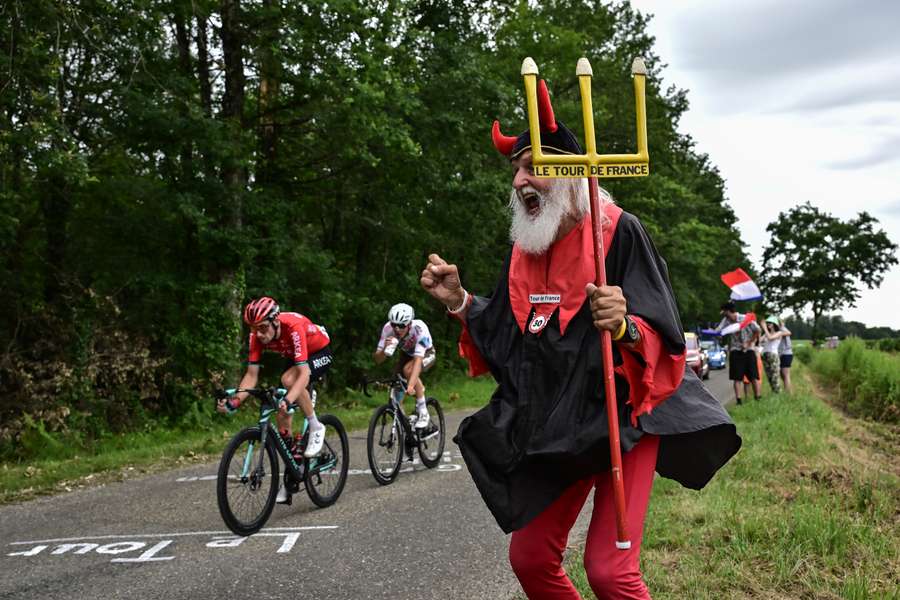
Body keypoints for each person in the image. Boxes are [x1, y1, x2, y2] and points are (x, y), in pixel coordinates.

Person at [420, 81, 741, 599]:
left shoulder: (618, 231)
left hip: (624, 418)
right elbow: (511, 340)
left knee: (610, 572)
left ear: (572, 174)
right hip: (561, 424)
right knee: (529, 557)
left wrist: (624, 322)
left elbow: (662, 331)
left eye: (535, 167)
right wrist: (459, 300)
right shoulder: (525, 249)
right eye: (517, 169)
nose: (521, 179)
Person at [216, 296, 333, 503]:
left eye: (262, 328)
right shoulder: (256, 336)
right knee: (282, 413)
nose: (258, 334)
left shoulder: (292, 326)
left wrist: (289, 399)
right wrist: (235, 401)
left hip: (318, 350)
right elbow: (251, 376)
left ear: (275, 321)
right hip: (294, 353)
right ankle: (293, 469)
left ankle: (316, 426)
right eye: (253, 329)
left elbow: (303, 373)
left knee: (288, 381)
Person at [374, 302, 436, 428]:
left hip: (426, 353)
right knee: (395, 381)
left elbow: (418, 360)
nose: (397, 329)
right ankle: (405, 425)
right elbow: (377, 359)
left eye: (401, 326)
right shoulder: (388, 329)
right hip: (407, 354)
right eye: (394, 324)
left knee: (408, 370)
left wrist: (411, 386)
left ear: (409, 324)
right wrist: (384, 350)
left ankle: (423, 410)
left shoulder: (419, 329)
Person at [714, 301, 762, 404]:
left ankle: (758, 398)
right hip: (735, 350)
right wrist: (714, 332)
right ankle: (739, 401)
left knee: (753, 375)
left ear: (728, 311)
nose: (723, 315)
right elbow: (718, 331)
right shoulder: (726, 321)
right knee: (737, 377)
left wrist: (749, 343)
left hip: (749, 350)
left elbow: (758, 330)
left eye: (724, 312)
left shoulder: (746, 318)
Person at [760, 316, 783, 393]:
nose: (767, 324)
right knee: (769, 377)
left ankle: (778, 394)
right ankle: (774, 393)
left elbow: (770, 338)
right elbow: (759, 341)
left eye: (769, 323)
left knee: (775, 377)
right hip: (765, 356)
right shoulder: (766, 333)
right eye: (767, 323)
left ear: (774, 324)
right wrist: (760, 330)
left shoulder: (779, 333)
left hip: (773, 356)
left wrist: (765, 329)